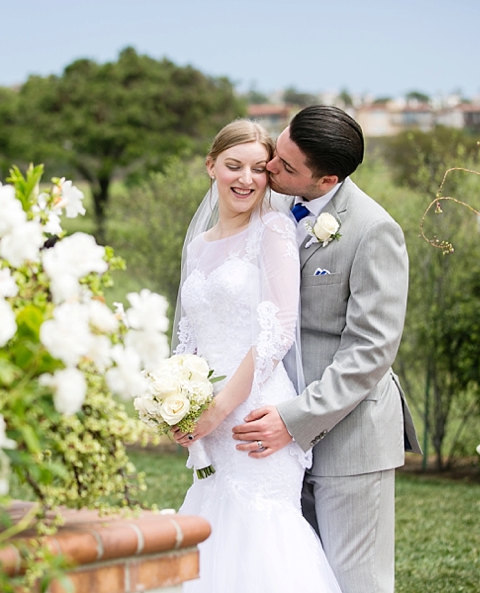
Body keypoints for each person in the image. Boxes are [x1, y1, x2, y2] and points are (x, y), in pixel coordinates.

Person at [231, 105, 421, 593]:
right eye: (279, 150)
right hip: (275, 447)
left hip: (349, 439)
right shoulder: (266, 209)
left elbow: (370, 352)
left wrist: (294, 420)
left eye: (286, 168)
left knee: (354, 582)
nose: (270, 168)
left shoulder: (374, 231)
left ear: (326, 179)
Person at [171, 119, 342, 593]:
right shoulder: (199, 246)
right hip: (208, 421)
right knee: (212, 534)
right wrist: (178, 404)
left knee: (261, 539)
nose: (245, 179)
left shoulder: (273, 230)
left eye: (257, 169)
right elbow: (190, 339)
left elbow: (278, 331)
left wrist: (221, 407)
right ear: (211, 167)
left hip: (254, 416)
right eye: (233, 166)